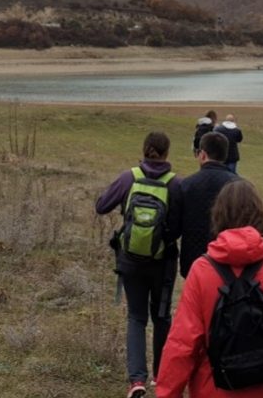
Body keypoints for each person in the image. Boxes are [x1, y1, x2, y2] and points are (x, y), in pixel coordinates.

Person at [156, 180, 263, 398]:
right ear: (259, 215)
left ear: (218, 216)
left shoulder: (202, 270)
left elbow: (182, 344)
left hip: (213, 388)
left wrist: (167, 393)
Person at [95, 131, 185, 398]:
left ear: (144, 149)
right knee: (162, 317)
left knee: (136, 317)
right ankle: (161, 375)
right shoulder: (176, 184)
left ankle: (136, 380)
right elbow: (180, 225)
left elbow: (101, 206)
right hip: (163, 262)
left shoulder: (129, 177)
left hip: (131, 260)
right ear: (167, 153)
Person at [176, 132, 240, 278]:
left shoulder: (187, 185)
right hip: (228, 261)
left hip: (193, 261)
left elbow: (175, 226)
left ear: (203, 155)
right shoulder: (238, 186)